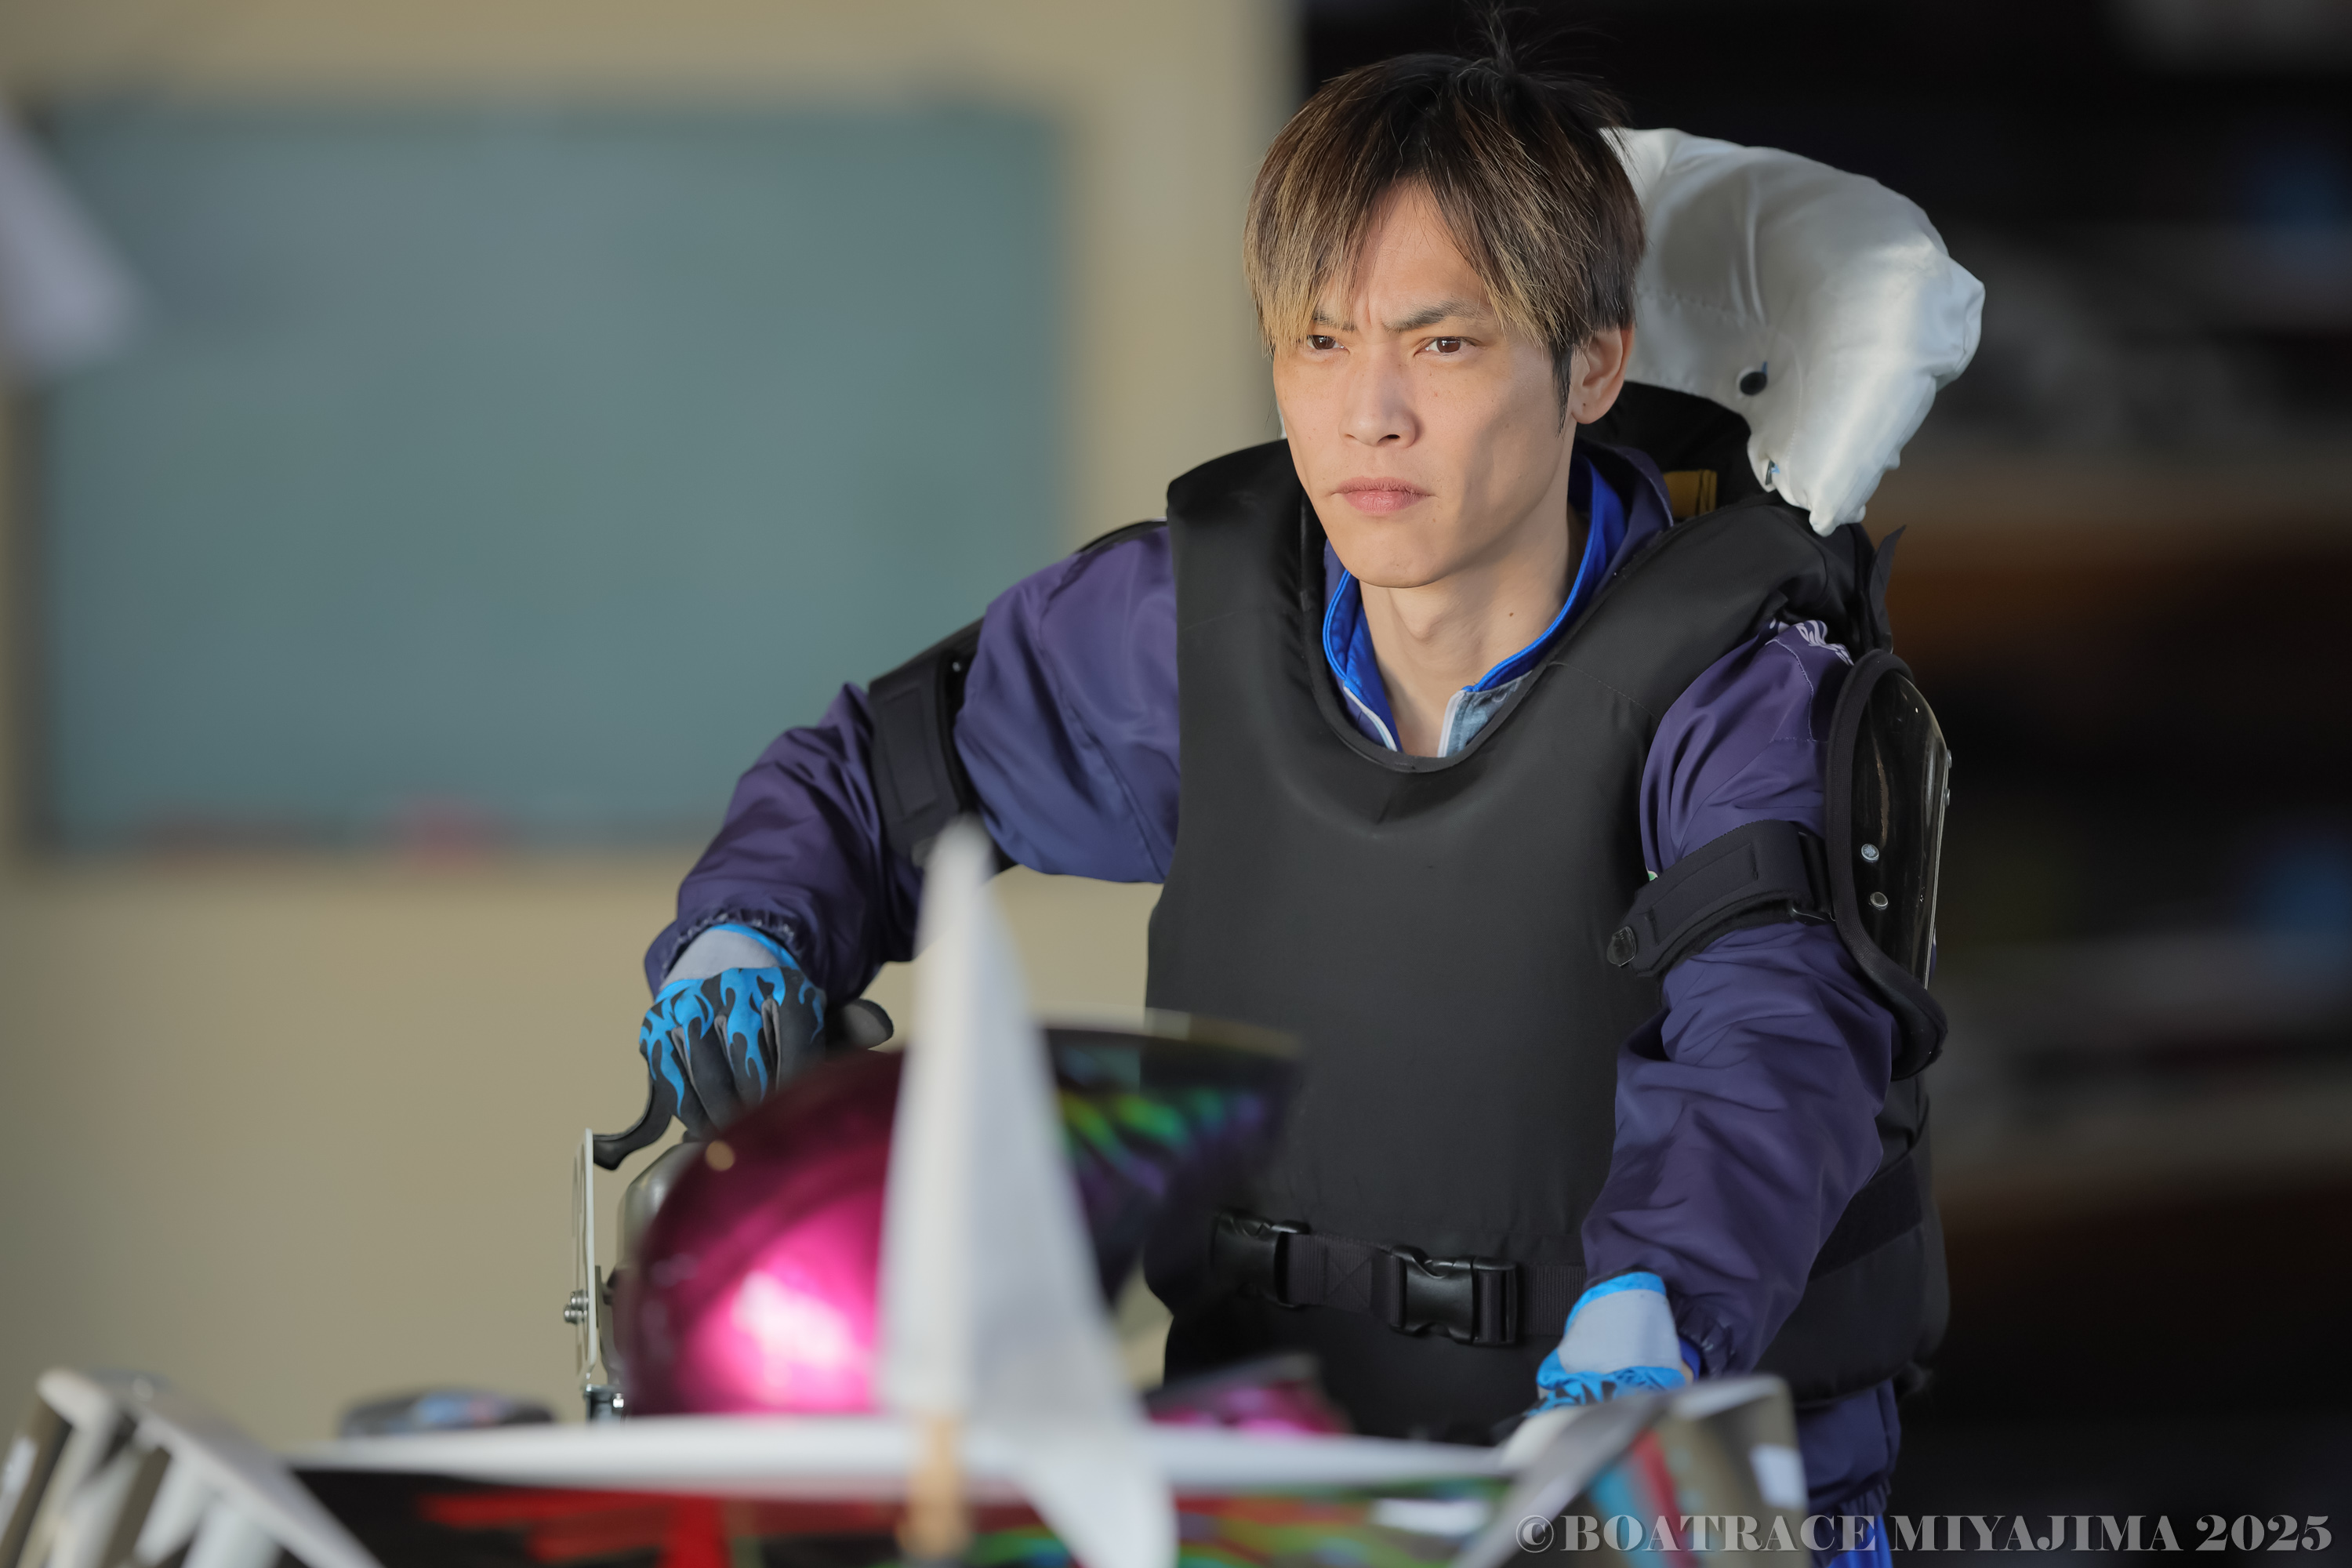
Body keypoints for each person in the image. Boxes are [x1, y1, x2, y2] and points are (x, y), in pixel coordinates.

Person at [609, 40, 1980, 1568]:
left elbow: (1777, 1038)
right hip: (1281, 1478)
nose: (1366, 413)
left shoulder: (1739, 690)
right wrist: (749, 933)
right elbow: (874, 776)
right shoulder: (1186, 628)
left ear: (1593, 364)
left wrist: (1656, 1310)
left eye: (1443, 344)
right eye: (1319, 340)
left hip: (1666, 1474)